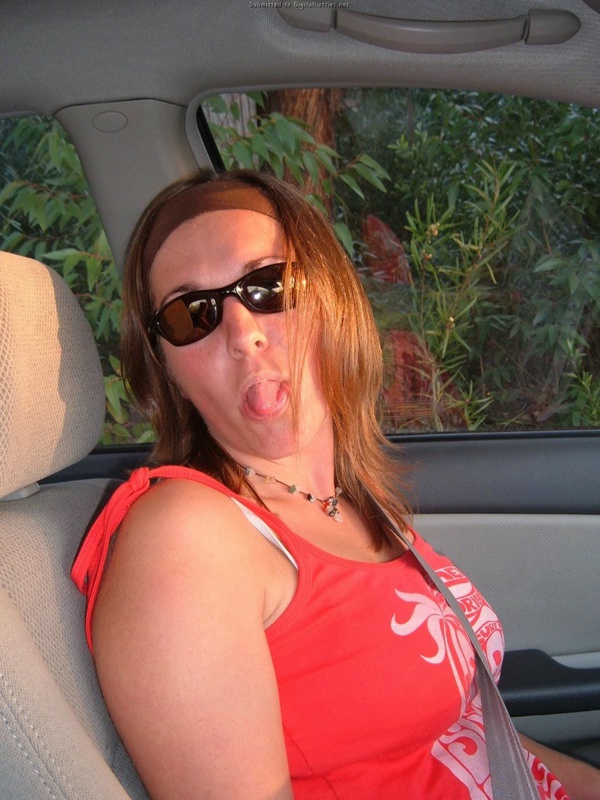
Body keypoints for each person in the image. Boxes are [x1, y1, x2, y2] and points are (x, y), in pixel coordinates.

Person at [72, 169, 600, 800]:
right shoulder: (186, 536)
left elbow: (475, 734)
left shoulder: (351, 500)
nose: (243, 334)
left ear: (331, 296)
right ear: (167, 369)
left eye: (270, 285)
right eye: (192, 315)